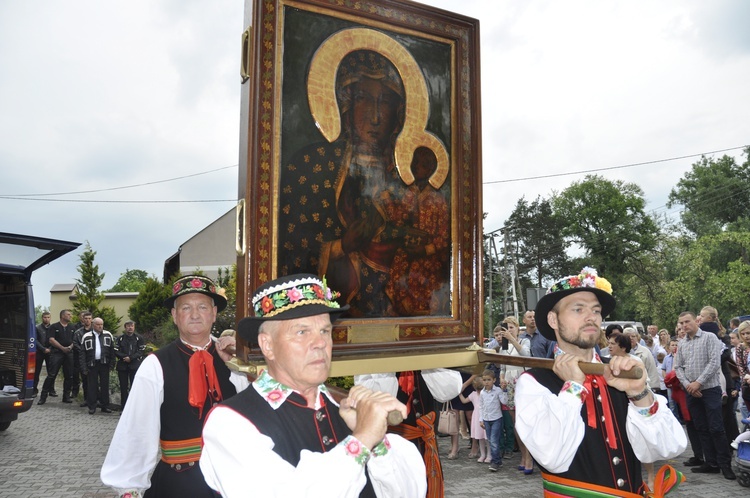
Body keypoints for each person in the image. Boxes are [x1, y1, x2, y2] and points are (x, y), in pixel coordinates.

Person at [200, 274, 426, 497]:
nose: (320, 343)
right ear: (267, 345)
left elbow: (407, 492)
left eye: (325, 331)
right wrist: (362, 439)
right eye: (302, 331)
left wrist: (376, 442)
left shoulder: (343, 408)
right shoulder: (229, 423)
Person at [277, 49, 448, 319]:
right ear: (344, 105)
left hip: (397, 305)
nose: (376, 116)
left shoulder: (406, 180)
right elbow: (290, 251)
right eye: (364, 99)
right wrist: (340, 246)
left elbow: (432, 245)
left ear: (400, 113)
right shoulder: (313, 164)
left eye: (387, 102)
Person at [515, 267, 686, 496]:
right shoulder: (534, 382)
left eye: (596, 311)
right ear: (553, 319)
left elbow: (668, 447)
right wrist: (573, 388)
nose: (591, 317)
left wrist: (639, 395)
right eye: (578, 309)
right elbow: (551, 456)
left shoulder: (621, 370)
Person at [101, 275, 248, 497]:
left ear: (214, 313)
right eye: (186, 308)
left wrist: (241, 364)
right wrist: (129, 486)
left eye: (203, 307)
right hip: (179, 484)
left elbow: (261, 412)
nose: (195, 314)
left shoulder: (235, 357)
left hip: (231, 481)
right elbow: (137, 428)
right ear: (174, 316)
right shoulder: (155, 364)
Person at [674, 311, 736, 480]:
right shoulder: (682, 343)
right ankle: (711, 463)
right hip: (691, 392)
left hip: (710, 389)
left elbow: (714, 362)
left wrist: (698, 383)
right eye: (681, 323)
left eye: (687, 322)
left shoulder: (709, 337)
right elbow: (678, 367)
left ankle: (725, 465)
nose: (684, 326)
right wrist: (688, 385)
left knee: (716, 428)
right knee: (701, 427)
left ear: (696, 321)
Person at [495, 317, 533, 473]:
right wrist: (502, 379)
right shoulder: (504, 346)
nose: (509, 330)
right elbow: (503, 367)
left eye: (511, 327)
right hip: (510, 385)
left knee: (525, 421)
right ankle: (523, 455)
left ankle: (530, 457)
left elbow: (526, 356)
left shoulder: (524, 341)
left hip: (523, 382)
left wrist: (512, 340)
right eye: (506, 327)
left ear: (518, 328)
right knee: (515, 422)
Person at [38, 309, 76, 404]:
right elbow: (51, 340)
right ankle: (43, 397)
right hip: (57, 353)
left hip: (69, 353)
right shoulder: (54, 327)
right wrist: (62, 348)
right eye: (68, 314)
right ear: (62, 316)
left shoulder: (72, 327)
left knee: (69, 375)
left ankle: (66, 396)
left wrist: (70, 347)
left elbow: (75, 340)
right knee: (51, 375)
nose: (70, 316)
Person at [79, 317, 115, 414]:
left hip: (104, 364)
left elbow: (112, 351)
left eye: (101, 324)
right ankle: (92, 406)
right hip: (92, 364)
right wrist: (84, 367)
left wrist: (112, 364)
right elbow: (82, 353)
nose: (100, 326)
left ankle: (105, 406)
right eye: (98, 324)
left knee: (105, 385)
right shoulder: (86, 336)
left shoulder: (108, 335)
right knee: (92, 386)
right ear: (93, 325)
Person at [478, 369, 508, 473]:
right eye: (485, 380)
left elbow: (504, 401)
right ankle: (498, 460)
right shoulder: (482, 393)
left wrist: (504, 390)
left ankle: (495, 461)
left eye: (489, 380)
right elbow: (481, 406)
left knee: (494, 440)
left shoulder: (497, 391)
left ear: (494, 380)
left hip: (496, 418)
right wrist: (481, 419)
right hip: (486, 419)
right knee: (490, 440)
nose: (487, 382)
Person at [114, 320, 146, 409]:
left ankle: (134, 408)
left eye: (132, 326)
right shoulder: (120, 338)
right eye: (128, 326)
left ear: (134, 327)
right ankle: (124, 408)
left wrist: (131, 358)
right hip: (122, 366)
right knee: (123, 388)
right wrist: (125, 357)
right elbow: (116, 350)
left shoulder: (139, 338)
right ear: (125, 328)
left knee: (134, 388)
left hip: (134, 366)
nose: (130, 327)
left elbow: (141, 351)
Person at [458, 376, 487, 463]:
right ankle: (487, 454)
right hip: (484, 416)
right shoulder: (485, 393)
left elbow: (463, 401)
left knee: (480, 436)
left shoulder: (473, 394)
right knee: (485, 437)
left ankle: (483, 454)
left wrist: (459, 393)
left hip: (477, 416)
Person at [624, 327, 661, 393]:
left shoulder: (645, 351)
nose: (631, 338)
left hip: (644, 387)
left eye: (633, 336)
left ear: (637, 337)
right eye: (628, 336)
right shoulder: (620, 352)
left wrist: (654, 386)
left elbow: (652, 369)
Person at [72, 311, 93, 406]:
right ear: (82, 320)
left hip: (94, 359)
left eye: (89, 318)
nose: (88, 320)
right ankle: (86, 399)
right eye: (86, 319)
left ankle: (97, 399)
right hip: (82, 359)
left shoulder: (95, 331)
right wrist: (84, 350)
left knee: (95, 381)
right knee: (85, 380)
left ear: (92, 320)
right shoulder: (78, 332)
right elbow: (75, 344)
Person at [33, 311, 52, 395]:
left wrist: (50, 349)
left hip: (50, 352)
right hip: (39, 352)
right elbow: (35, 340)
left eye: (48, 317)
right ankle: (34, 390)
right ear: (42, 318)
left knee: (51, 372)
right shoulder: (37, 328)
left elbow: (55, 339)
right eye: (45, 317)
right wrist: (43, 349)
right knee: (36, 372)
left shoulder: (53, 328)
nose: (46, 319)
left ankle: (51, 390)